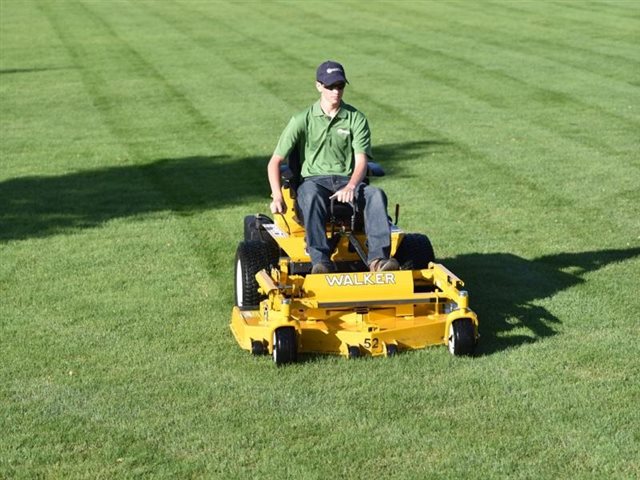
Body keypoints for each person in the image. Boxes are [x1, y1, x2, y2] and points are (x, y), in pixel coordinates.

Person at [267, 60, 399, 274]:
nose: (336, 91)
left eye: (340, 86)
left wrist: (351, 186)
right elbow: (275, 162)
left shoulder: (356, 118)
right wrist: (277, 196)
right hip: (315, 182)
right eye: (330, 87)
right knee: (309, 194)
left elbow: (361, 161)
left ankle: (378, 261)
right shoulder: (302, 119)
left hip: (348, 182)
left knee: (376, 195)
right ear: (319, 86)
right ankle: (321, 261)